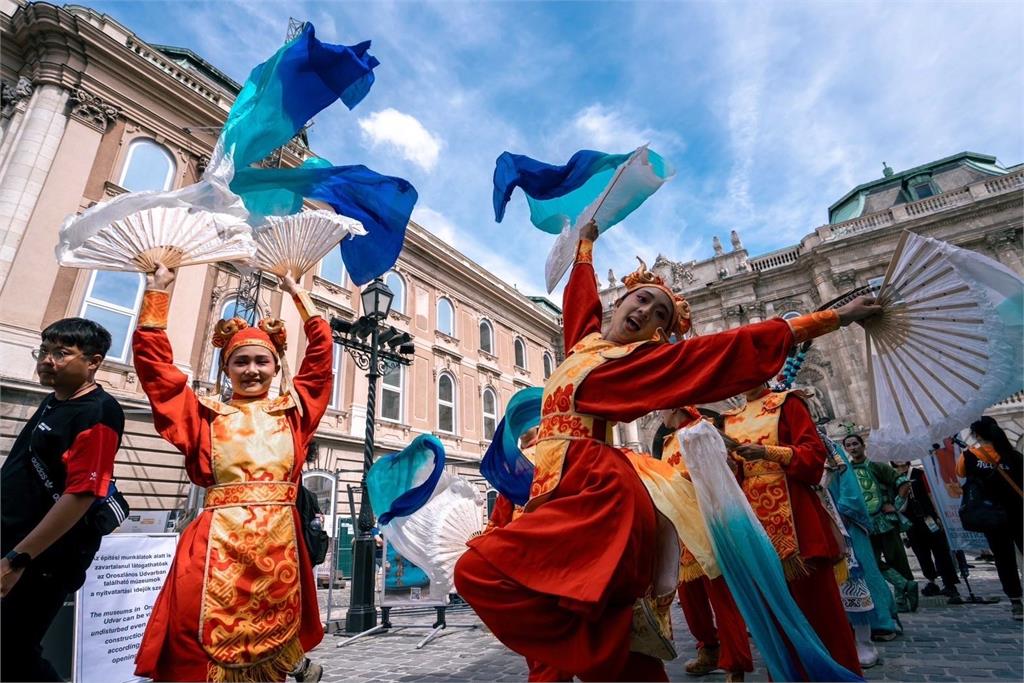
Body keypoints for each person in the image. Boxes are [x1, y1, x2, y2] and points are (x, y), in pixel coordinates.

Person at [454, 219, 880, 681]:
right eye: (641, 299)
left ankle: (599, 644)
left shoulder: (637, 364)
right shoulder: (585, 347)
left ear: (656, 335)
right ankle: (616, 644)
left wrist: (831, 318)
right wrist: (585, 247)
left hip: (599, 490)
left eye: (659, 314)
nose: (645, 312)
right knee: (604, 621)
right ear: (619, 302)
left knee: (479, 570)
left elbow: (720, 352)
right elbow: (580, 305)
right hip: (557, 486)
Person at [131, 264, 331, 682]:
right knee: (195, 641)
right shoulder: (203, 416)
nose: (252, 370)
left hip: (280, 553)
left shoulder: (294, 416)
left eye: (262, 360)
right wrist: (158, 293)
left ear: (277, 368)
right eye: (241, 362)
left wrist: (298, 293)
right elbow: (158, 376)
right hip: (213, 552)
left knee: (275, 643)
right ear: (226, 369)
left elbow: (320, 359)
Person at [0, 318, 125, 682]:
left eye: (61, 353)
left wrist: (16, 559)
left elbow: (82, 494)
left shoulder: (98, 411)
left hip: (42, 560)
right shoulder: (54, 402)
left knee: (14, 654)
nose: (47, 360)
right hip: (15, 547)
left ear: (94, 362)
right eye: (44, 351)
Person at [722, 385, 862, 676]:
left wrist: (767, 452)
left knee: (821, 613)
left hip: (797, 521)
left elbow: (813, 457)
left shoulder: (788, 403)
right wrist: (726, 465)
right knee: (777, 618)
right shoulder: (731, 417)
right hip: (756, 525)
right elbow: (738, 476)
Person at [843, 434, 918, 613]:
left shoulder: (878, 466)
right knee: (872, 561)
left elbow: (903, 483)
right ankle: (905, 584)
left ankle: (902, 599)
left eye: (855, 444)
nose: (853, 448)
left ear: (863, 445)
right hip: (864, 524)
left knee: (897, 558)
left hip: (885, 521)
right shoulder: (846, 471)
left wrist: (896, 505)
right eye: (849, 445)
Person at [957, 416, 1024, 621]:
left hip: (990, 516)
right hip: (1018, 512)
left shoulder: (968, 456)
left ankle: (1016, 603)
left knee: (1004, 559)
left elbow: (959, 476)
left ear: (976, 435)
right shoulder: (1014, 456)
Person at [893, 461, 962, 603]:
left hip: (928, 517)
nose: (898, 459)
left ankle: (950, 584)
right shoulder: (893, 477)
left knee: (941, 550)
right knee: (921, 552)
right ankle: (932, 581)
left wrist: (938, 515)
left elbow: (931, 495)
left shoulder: (919, 473)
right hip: (910, 522)